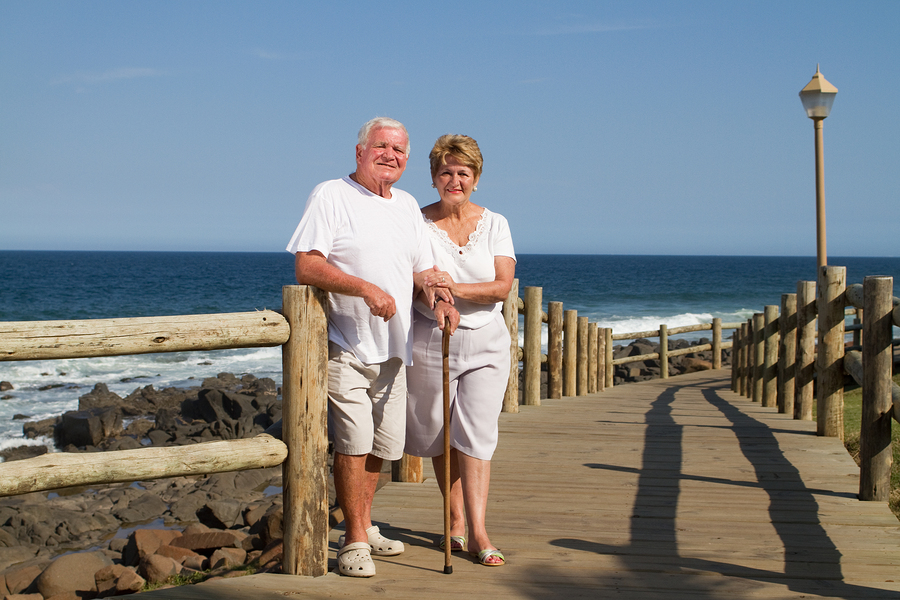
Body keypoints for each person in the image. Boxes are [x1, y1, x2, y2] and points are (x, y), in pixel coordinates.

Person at [286, 117, 459, 578]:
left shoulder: (405, 206)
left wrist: (440, 298)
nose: (391, 155)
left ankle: (362, 523)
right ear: (359, 151)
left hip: (394, 347)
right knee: (353, 443)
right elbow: (307, 265)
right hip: (347, 343)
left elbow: (424, 271)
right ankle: (355, 541)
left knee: (384, 446)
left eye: (400, 150)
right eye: (382, 146)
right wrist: (365, 289)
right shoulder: (332, 195)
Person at [405, 134, 515, 567]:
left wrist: (453, 287)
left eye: (463, 173)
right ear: (434, 177)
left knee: (477, 435)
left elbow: (501, 286)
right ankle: (454, 520)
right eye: (446, 172)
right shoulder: (415, 222)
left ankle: (479, 531)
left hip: (488, 339)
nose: (455, 180)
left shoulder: (496, 223)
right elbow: (414, 275)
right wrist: (436, 296)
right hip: (433, 337)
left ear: (476, 179)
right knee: (439, 432)